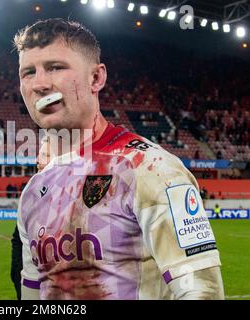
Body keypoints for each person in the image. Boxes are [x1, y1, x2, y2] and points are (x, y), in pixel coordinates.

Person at [13, 18, 224, 300]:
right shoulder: (32, 194)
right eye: (28, 72)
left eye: (55, 67)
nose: (39, 84)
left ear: (96, 78)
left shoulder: (151, 169)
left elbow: (202, 291)